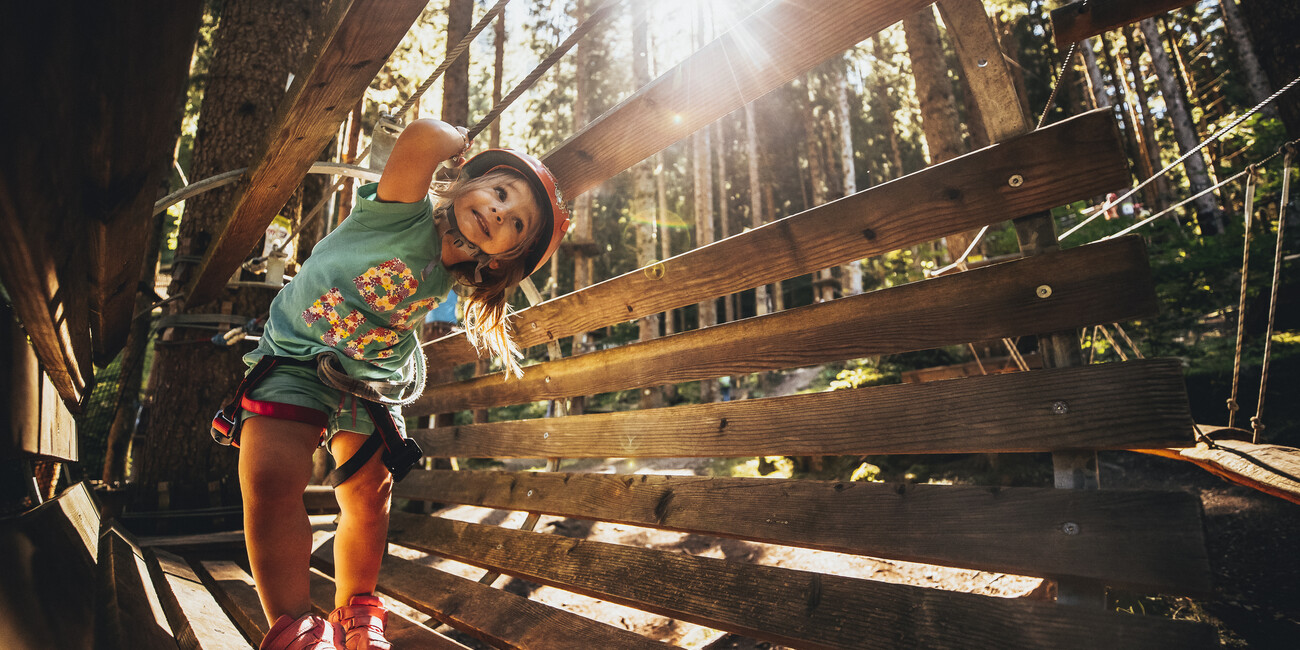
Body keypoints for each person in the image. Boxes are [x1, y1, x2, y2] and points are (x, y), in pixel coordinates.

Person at [232, 117, 569, 650]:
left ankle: (357, 609)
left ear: (506, 255)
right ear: (465, 181)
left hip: (368, 380)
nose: (502, 210)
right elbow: (419, 141)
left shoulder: (455, 274)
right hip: (298, 354)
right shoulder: (398, 211)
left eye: (518, 223)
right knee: (270, 477)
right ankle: (294, 626)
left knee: (370, 493)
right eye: (501, 191)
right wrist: (460, 138)